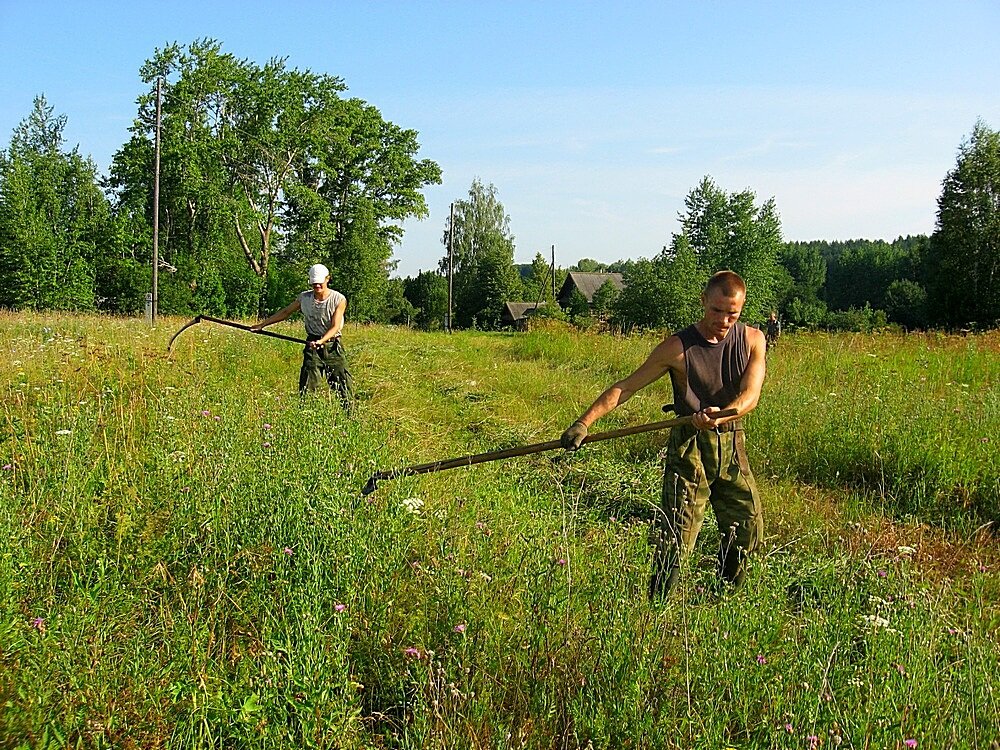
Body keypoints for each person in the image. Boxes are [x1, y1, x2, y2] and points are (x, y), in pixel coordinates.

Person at [560, 270, 766, 600]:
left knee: (747, 525)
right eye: (717, 311)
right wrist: (584, 423)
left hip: (731, 447)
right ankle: (657, 607)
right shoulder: (677, 348)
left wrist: (722, 414)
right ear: (704, 302)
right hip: (689, 452)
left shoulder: (753, 340)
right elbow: (624, 388)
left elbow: (750, 396)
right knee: (677, 535)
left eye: (733, 313)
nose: (724, 321)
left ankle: (724, 598)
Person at [251, 263, 354, 411]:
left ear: (328, 279)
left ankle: (349, 415)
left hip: (332, 347)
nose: (317, 286)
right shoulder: (304, 298)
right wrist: (262, 325)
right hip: (312, 344)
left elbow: (335, 326)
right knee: (308, 384)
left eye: (320, 283)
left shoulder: (339, 299)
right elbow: (285, 312)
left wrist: (322, 341)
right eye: (314, 283)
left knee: (342, 383)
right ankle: (305, 413)